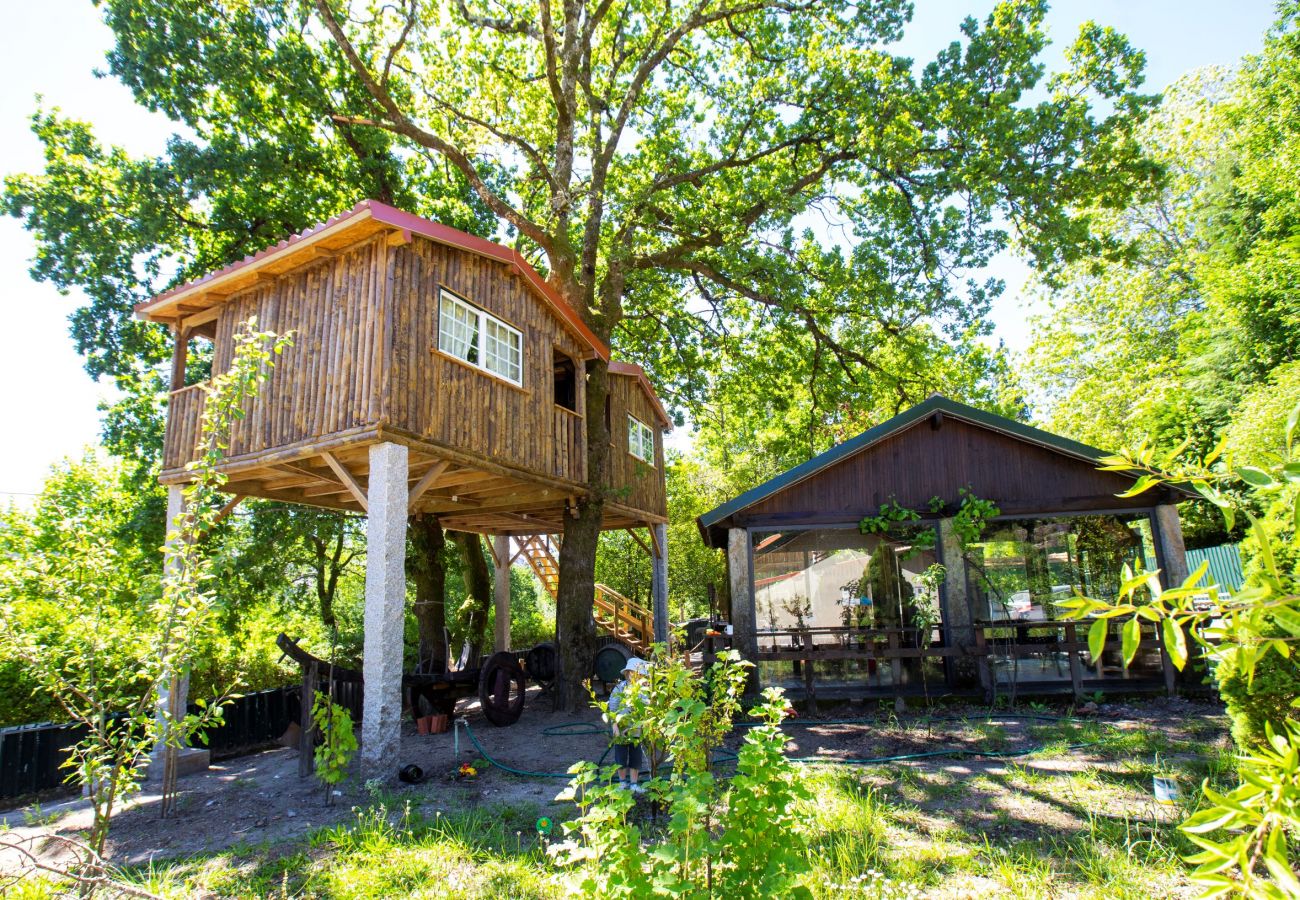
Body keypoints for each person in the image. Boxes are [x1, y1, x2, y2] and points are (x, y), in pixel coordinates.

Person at [606, 657, 649, 793]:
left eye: (638, 673)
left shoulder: (644, 691)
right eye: (632, 673)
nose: (634, 676)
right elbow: (613, 709)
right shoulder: (620, 688)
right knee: (621, 757)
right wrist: (615, 727)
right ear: (627, 673)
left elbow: (647, 709)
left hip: (637, 730)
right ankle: (622, 782)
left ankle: (634, 784)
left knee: (636, 757)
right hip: (621, 729)